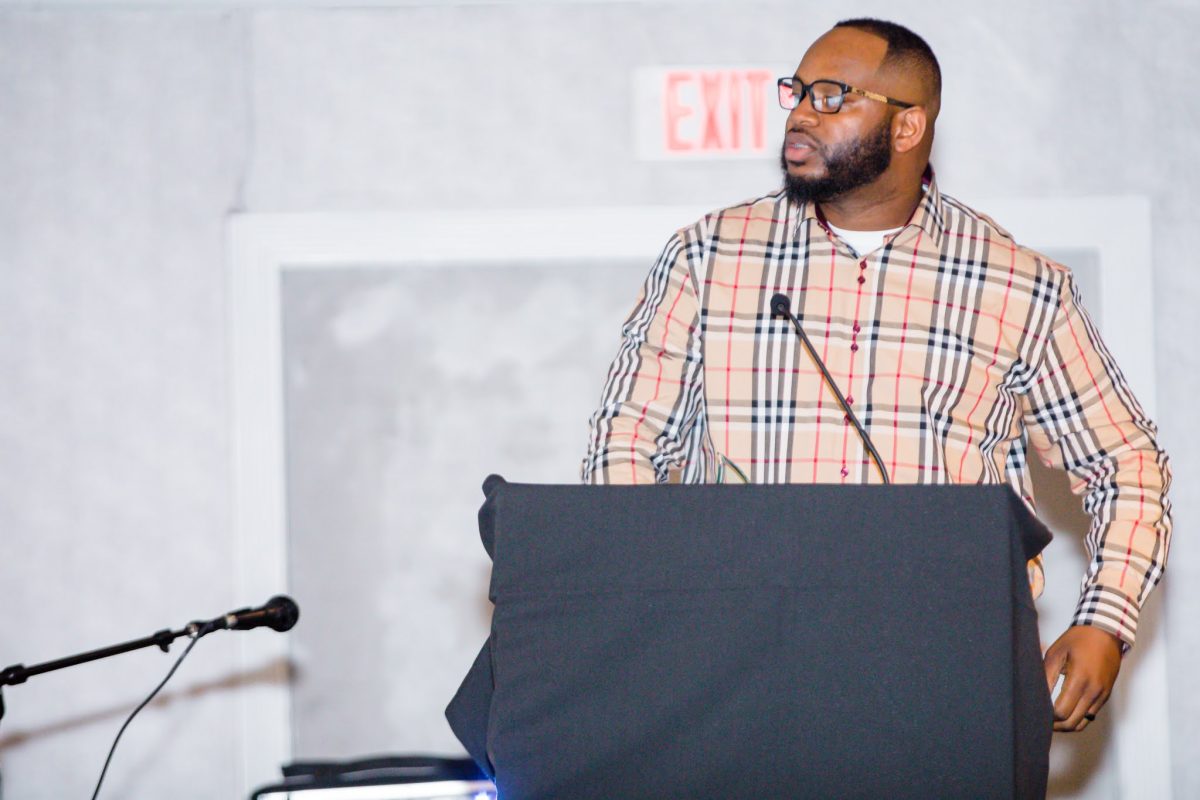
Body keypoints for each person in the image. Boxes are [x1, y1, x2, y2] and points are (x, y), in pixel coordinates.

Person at [580, 18, 1171, 735]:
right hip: (735, 666)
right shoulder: (710, 257)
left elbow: (1125, 461)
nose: (801, 114)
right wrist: (653, 605)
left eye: (832, 96)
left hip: (950, 667)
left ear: (908, 126)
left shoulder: (1018, 284)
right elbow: (626, 443)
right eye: (798, 91)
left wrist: (1105, 621)